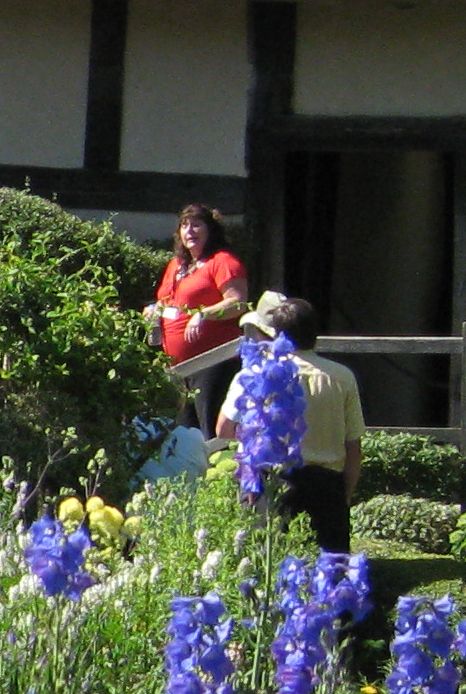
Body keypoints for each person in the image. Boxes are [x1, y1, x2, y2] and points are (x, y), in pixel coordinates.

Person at [239, 291, 365, 551]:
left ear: (278, 334)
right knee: (332, 570)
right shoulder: (342, 377)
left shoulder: (265, 375)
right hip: (327, 484)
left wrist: (249, 487)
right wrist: (345, 496)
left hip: (277, 481)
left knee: (272, 571)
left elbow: (250, 435)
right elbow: (354, 447)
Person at [148, 202, 249, 419]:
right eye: (184, 226)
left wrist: (203, 314)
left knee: (208, 432)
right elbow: (165, 302)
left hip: (212, 363)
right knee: (184, 434)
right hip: (178, 369)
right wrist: (153, 311)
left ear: (210, 230)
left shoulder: (223, 262)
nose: (189, 231)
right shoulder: (176, 265)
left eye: (196, 225)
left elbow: (238, 302)